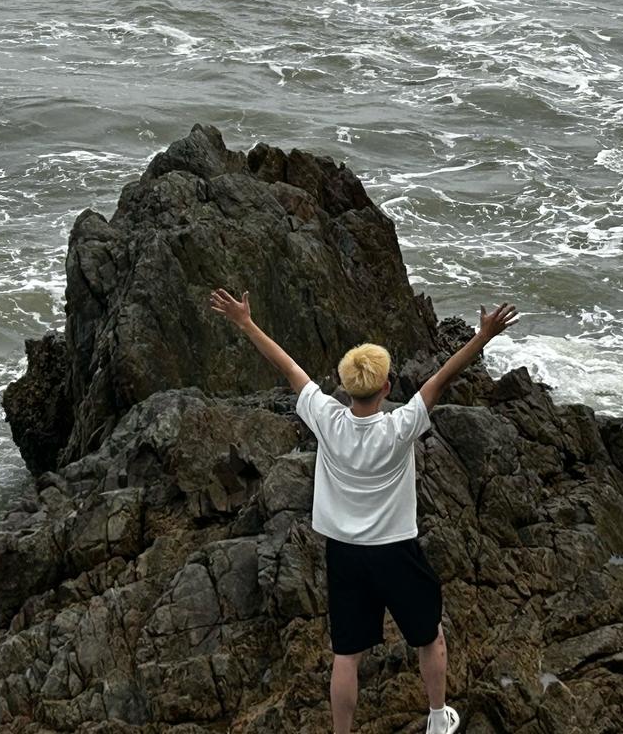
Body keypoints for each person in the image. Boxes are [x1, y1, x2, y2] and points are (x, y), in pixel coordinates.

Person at [209, 288, 519, 734]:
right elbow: (444, 376)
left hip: (345, 553)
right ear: (387, 387)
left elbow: (288, 366)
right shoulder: (400, 426)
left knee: (346, 654)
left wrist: (245, 323)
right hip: (396, 551)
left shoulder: (327, 421)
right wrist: (483, 337)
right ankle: (437, 718)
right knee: (428, 634)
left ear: (346, 386)